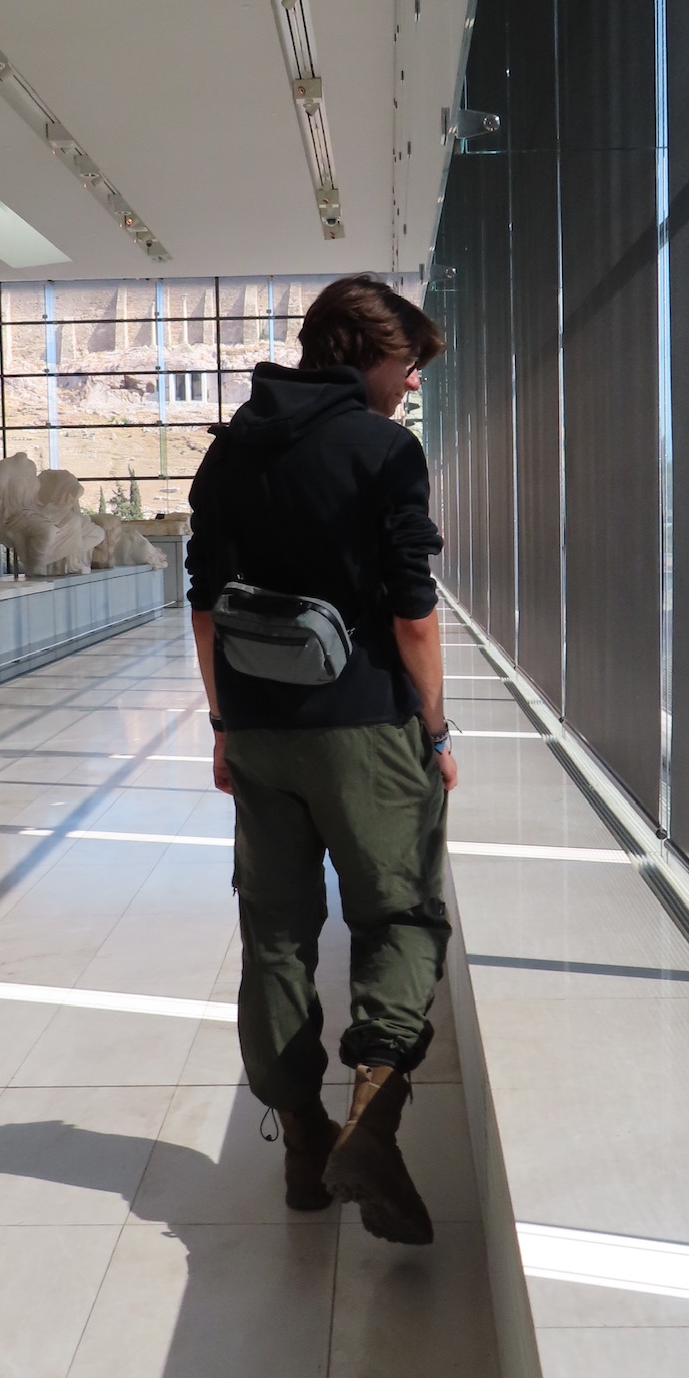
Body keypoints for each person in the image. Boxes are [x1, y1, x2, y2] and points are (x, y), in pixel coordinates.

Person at [186, 274, 454, 1246]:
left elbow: (204, 602)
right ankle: (373, 1108)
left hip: (258, 730)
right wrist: (434, 730)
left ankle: (301, 1136)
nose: (409, 384)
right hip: (365, 728)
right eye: (406, 363)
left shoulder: (227, 454)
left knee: (276, 933)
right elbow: (412, 610)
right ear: (361, 350)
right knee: (400, 910)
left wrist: (225, 722)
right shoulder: (383, 450)